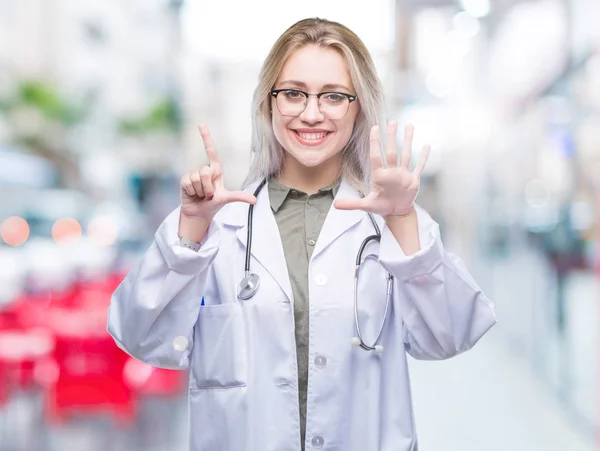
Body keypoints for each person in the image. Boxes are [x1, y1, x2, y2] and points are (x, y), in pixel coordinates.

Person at [107, 17, 496, 451]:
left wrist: (403, 219)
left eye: (333, 96)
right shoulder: (221, 226)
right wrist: (191, 231)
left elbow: (452, 334)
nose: (311, 113)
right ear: (268, 104)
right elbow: (138, 335)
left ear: (359, 108)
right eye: (293, 93)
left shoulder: (389, 225)